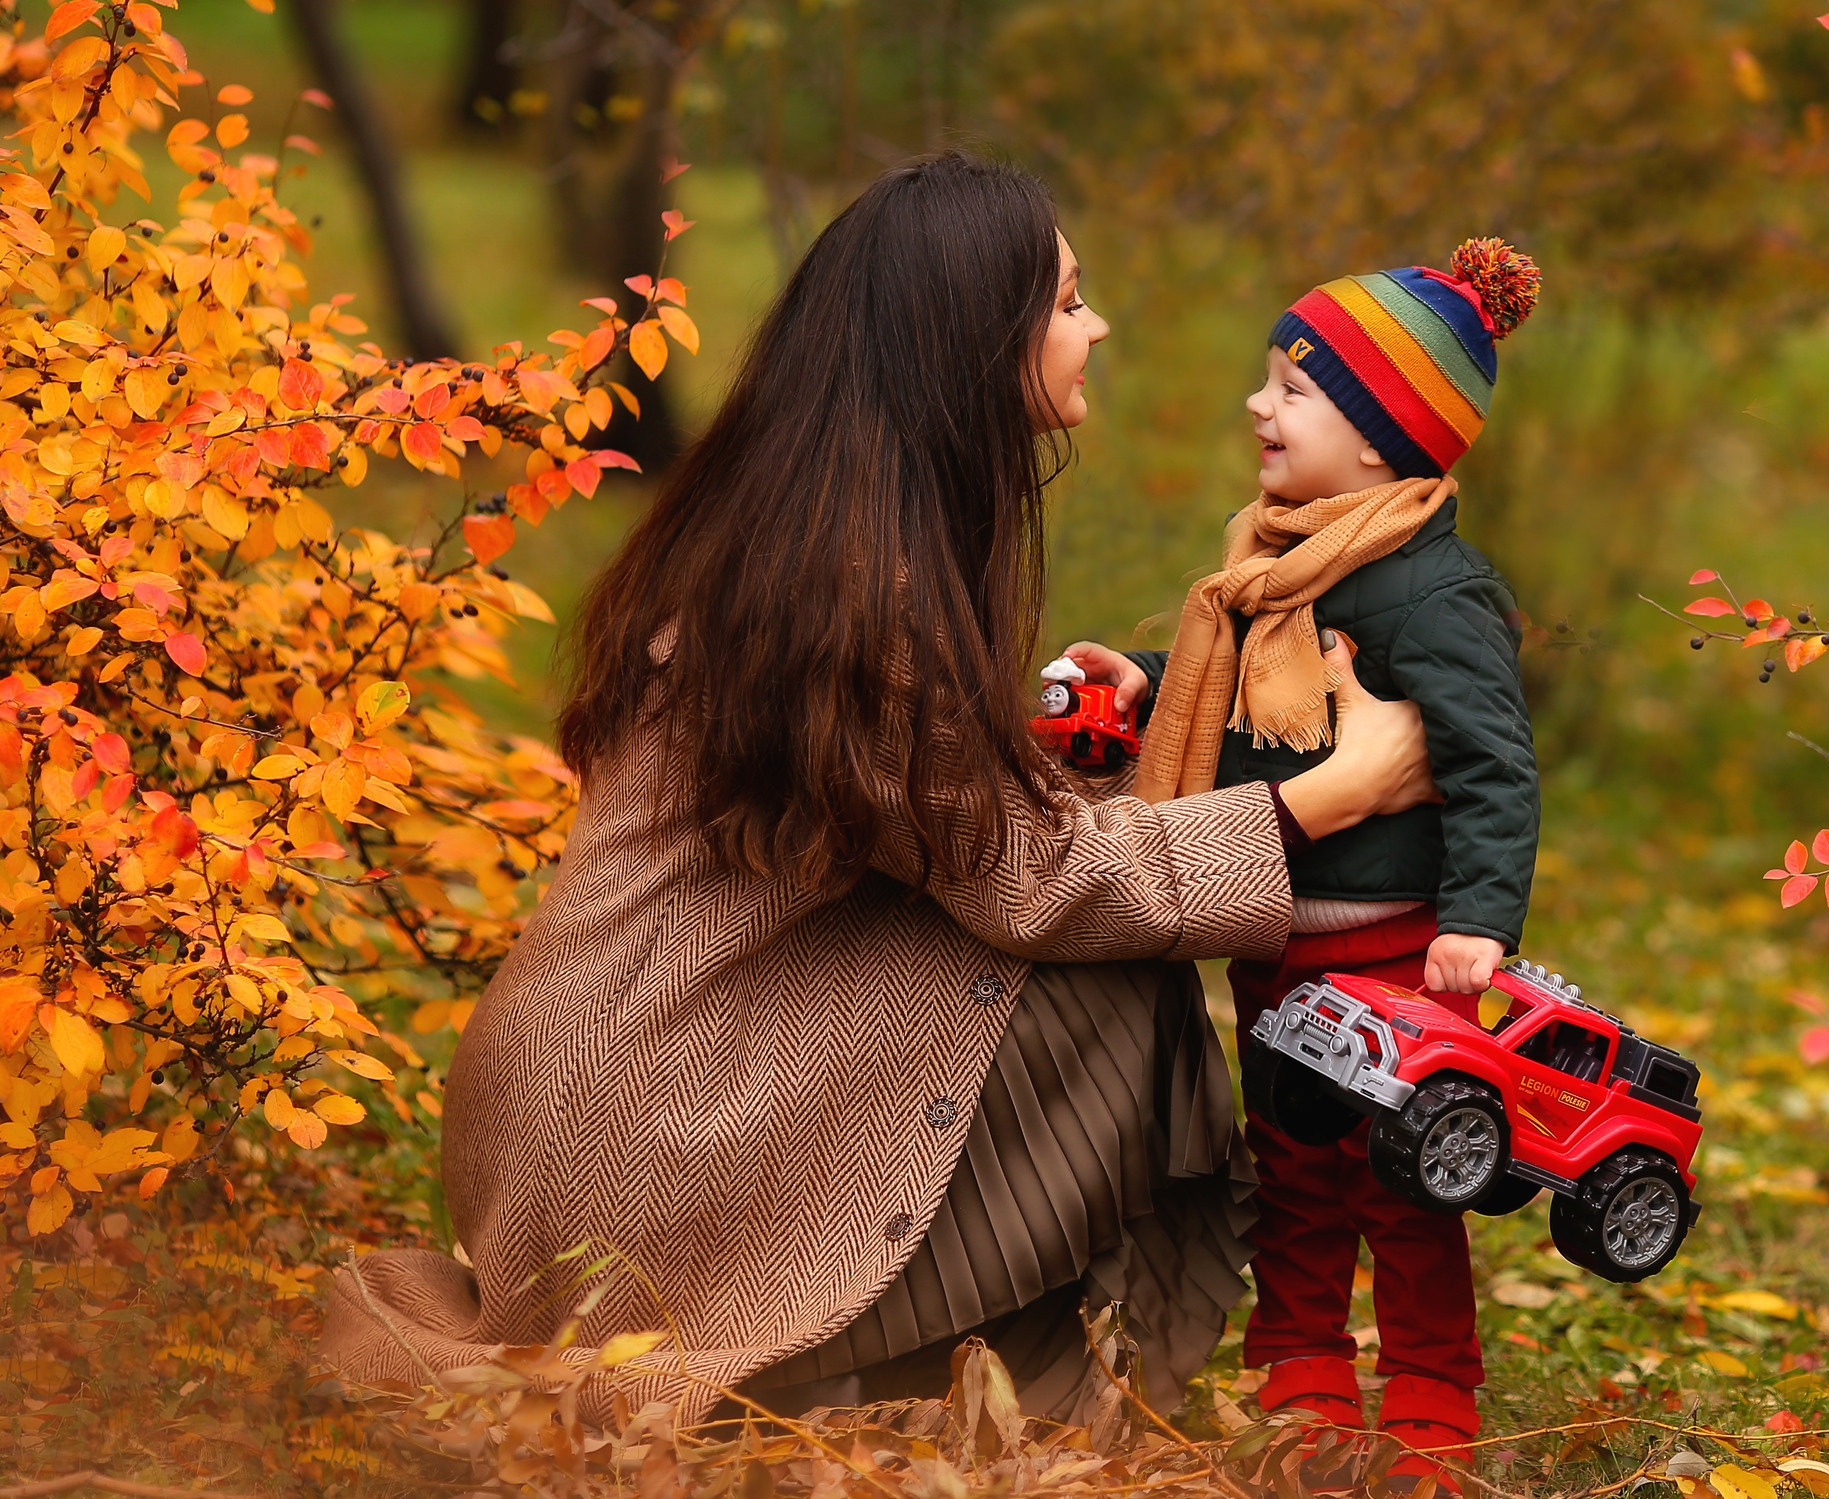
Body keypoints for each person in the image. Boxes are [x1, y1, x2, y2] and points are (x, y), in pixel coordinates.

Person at [316, 153, 1442, 1425]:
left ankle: (924, 1359)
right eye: (1068, 302)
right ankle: (893, 1369)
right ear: (975, 338)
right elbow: (1037, 886)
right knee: (1121, 976)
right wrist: (1331, 795)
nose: (1097, 326)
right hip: (634, 1132)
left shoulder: (812, 532)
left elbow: (953, 827)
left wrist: (1098, 748)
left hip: (603, 1092)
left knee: (1104, 939)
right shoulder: (854, 590)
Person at [1059, 239, 1543, 1475]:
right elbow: (1255, 712)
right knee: (1293, 1171)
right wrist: (1150, 683)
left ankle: (1431, 1402)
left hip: (1393, 955)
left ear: (1381, 436)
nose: (1257, 406)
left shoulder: (1433, 597)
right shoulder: (1277, 564)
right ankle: (1305, 1382)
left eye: (1292, 388)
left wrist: (1479, 917)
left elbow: (1491, 763)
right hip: (1277, 943)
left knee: (1404, 1185)